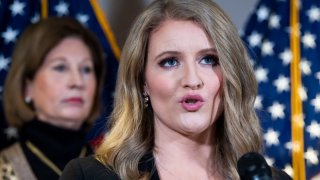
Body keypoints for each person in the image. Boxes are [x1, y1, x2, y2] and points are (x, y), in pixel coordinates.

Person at [61, 0, 292, 179]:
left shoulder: (270, 178)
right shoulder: (91, 176)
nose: (192, 79)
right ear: (142, 82)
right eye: (170, 61)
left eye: (209, 60)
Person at [0, 17, 105, 180]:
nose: (77, 82)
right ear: (27, 87)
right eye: (60, 67)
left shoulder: (120, 169)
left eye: (86, 69)